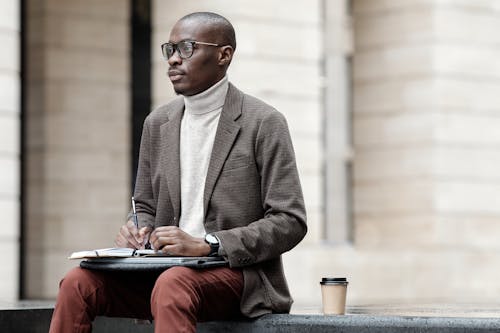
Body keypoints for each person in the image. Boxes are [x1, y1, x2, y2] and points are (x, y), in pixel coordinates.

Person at [49, 11, 307, 333]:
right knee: (78, 282)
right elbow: (144, 206)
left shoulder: (264, 122)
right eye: (169, 50)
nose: (173, 60)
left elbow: (289, 220)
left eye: (186, 48)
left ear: (223, 55)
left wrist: (210, 244)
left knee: (174, 283)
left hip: (237, 276)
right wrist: (137, 229)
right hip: (161, 270)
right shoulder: (158, 124)